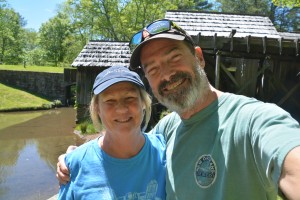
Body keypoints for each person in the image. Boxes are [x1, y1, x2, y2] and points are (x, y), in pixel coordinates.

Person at [57, 19, 300, 199]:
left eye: (173, 58)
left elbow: (290, 157)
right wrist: (76, 158)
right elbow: (126, 142)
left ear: (199, 57)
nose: (166, 74)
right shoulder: (167, 130)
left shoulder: (253, 119)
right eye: (152, 69)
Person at [57, 66, 166, 199]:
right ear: (97, 108)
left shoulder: (166, 152)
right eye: (110, 100)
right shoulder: (75, 165)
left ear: (143, 103)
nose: (121, 109)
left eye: (130, 97)